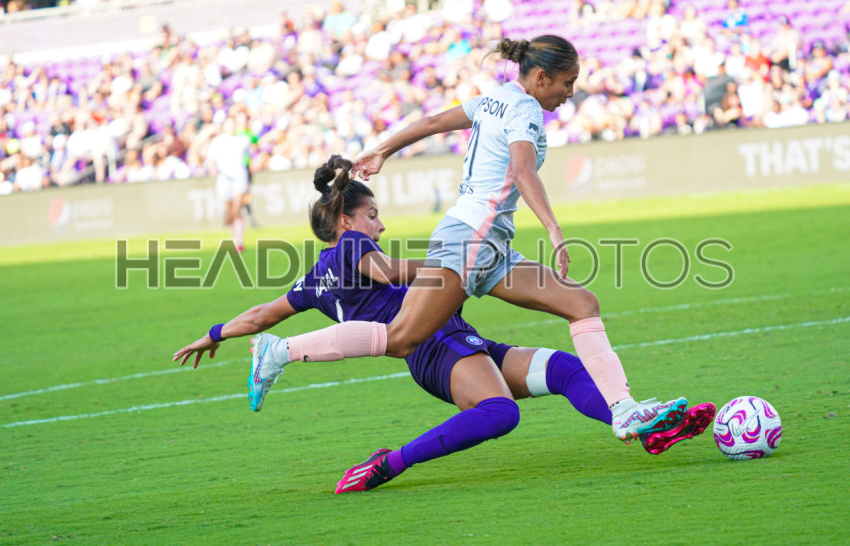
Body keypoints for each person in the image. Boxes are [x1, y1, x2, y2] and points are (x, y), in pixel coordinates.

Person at [173, 156, 716, 493]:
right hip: (435, 346)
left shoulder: (314, 278)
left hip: (449, 341)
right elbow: (388, 271)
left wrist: (215, 334)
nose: (380, 224)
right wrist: (451, 264)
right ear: (345, 220)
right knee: (500, 413)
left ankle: (636, 423)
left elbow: (261, 315)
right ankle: (390, 464)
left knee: (566, 370)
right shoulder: (355, 245)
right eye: (372, 215)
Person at [206, 116, 252, 252]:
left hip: (239, 177)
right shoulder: (217, 141)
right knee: (230, 212)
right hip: (224, 179)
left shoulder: (243, 140)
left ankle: (239, 241)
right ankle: (235, 240)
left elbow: (249, 157)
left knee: (237, 209)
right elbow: (211, 159)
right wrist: (212, 168)